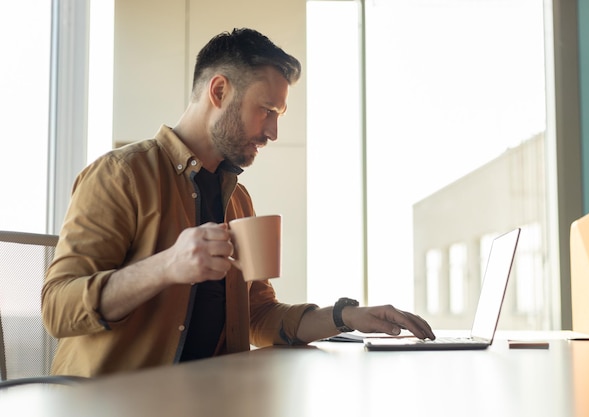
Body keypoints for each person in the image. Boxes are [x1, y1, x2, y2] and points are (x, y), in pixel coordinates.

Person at [42, 28, 435, 377]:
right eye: (267, 110)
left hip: (214, 398)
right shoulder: (121, 175)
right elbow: (57, 308)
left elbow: (259, 316)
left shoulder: (237, 198)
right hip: (119, 404)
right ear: (219, 91)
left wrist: (345, 316)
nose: (273, 131)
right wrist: (166, 266)